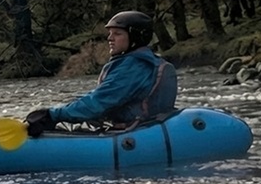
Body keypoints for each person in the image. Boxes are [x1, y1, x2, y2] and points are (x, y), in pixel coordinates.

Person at [25, 10, 178, 137]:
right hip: (145, 128)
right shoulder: (142, 61)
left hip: (135, 132)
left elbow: (98, 103)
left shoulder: (134, 67)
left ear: (136, 37)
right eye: (110, 33)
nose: (109, 38)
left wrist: (52, 115)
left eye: (117, 33)